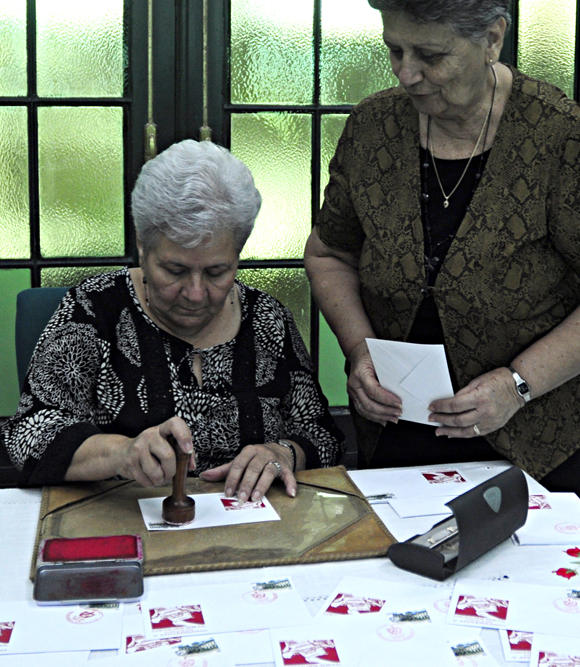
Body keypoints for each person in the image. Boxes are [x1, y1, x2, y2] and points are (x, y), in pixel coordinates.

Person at [304, 0, 580, 493]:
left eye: (431, 55)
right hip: (396, 431)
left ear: (492, 38)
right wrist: (358, 350)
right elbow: (329, 253)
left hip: (529, 439)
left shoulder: (556, 135)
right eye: (394, 49)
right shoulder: (373, 127)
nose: (405, 72)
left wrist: (517, 385)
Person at [3, 140, 343, 500]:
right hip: (124, 527)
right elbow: (29, 435)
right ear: (142, 248)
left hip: (251, 527)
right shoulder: (93, 312)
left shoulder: (267, 319)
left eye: (216, 271)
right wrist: (121, 452)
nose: (195, 293)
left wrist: (283, 453)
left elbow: (322, 435)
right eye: (175, 270)